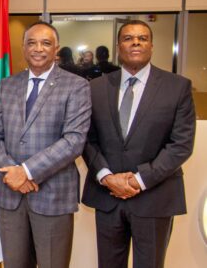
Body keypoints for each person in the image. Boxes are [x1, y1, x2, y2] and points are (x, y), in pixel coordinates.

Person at [82, 20, 195, 268]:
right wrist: (106, 176)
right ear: (118, 45)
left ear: (151, 46)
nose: (135, 42)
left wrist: (138, 180)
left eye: (142, 38)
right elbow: (87, 139)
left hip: (155, 196)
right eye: (128, 38)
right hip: (108, 195)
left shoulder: (177, 87)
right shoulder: (95, 88)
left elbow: (181, 144)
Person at [0, 21, 91, 268]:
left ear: (56, 48)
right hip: (11, 196)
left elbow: (74, 140)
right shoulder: (8, 84)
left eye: (46, 43)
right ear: (23, 47)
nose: (38, 48)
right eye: (31, 42)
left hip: (53, 195)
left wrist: (26, 172)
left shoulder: (76, 86)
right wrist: (13, 172)